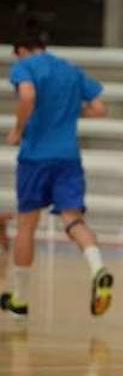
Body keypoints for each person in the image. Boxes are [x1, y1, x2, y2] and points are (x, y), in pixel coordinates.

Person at [0, 33, 113, 319]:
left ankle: (20, 301)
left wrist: (17, 129)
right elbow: (100, 109)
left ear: (22, 49)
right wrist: (69, 114)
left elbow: (27, 95)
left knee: (27, 225)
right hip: (68, 157)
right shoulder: (70, 70)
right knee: (73, 218)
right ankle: (98, 266)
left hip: (35, 158)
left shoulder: (25, 67)